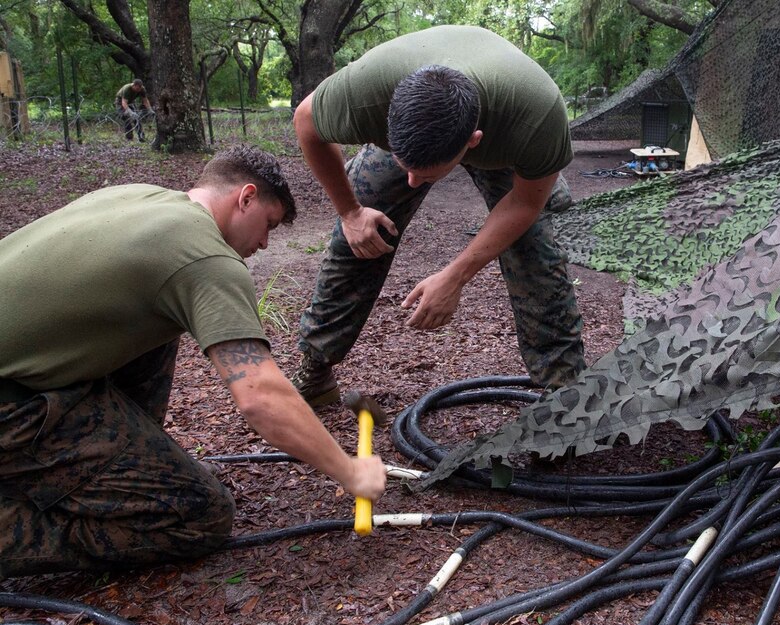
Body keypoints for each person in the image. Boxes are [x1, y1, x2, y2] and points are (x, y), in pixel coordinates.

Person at [0, 145, 387, 578]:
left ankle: (114, 472)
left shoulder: (139, 197)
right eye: (268, 225)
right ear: (245, 197)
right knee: (201, 516)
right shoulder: (204, 257)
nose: (263, 243)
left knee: (158, 322)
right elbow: (261, 399)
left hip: (27, 368)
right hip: (14, 407)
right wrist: (350, 471)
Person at [291, 25, 585, 407]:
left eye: (425, 177)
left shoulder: (536, 115)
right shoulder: (368, 91)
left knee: (536, 250)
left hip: (507, 137)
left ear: (472, 144)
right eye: (406, 168)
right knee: (359, 234)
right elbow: (305, 120)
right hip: (417, 120)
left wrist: (456, 275)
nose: (412, 182)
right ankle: (314, 370)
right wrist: (350, 212)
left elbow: (525, 204)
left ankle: (564, 397)